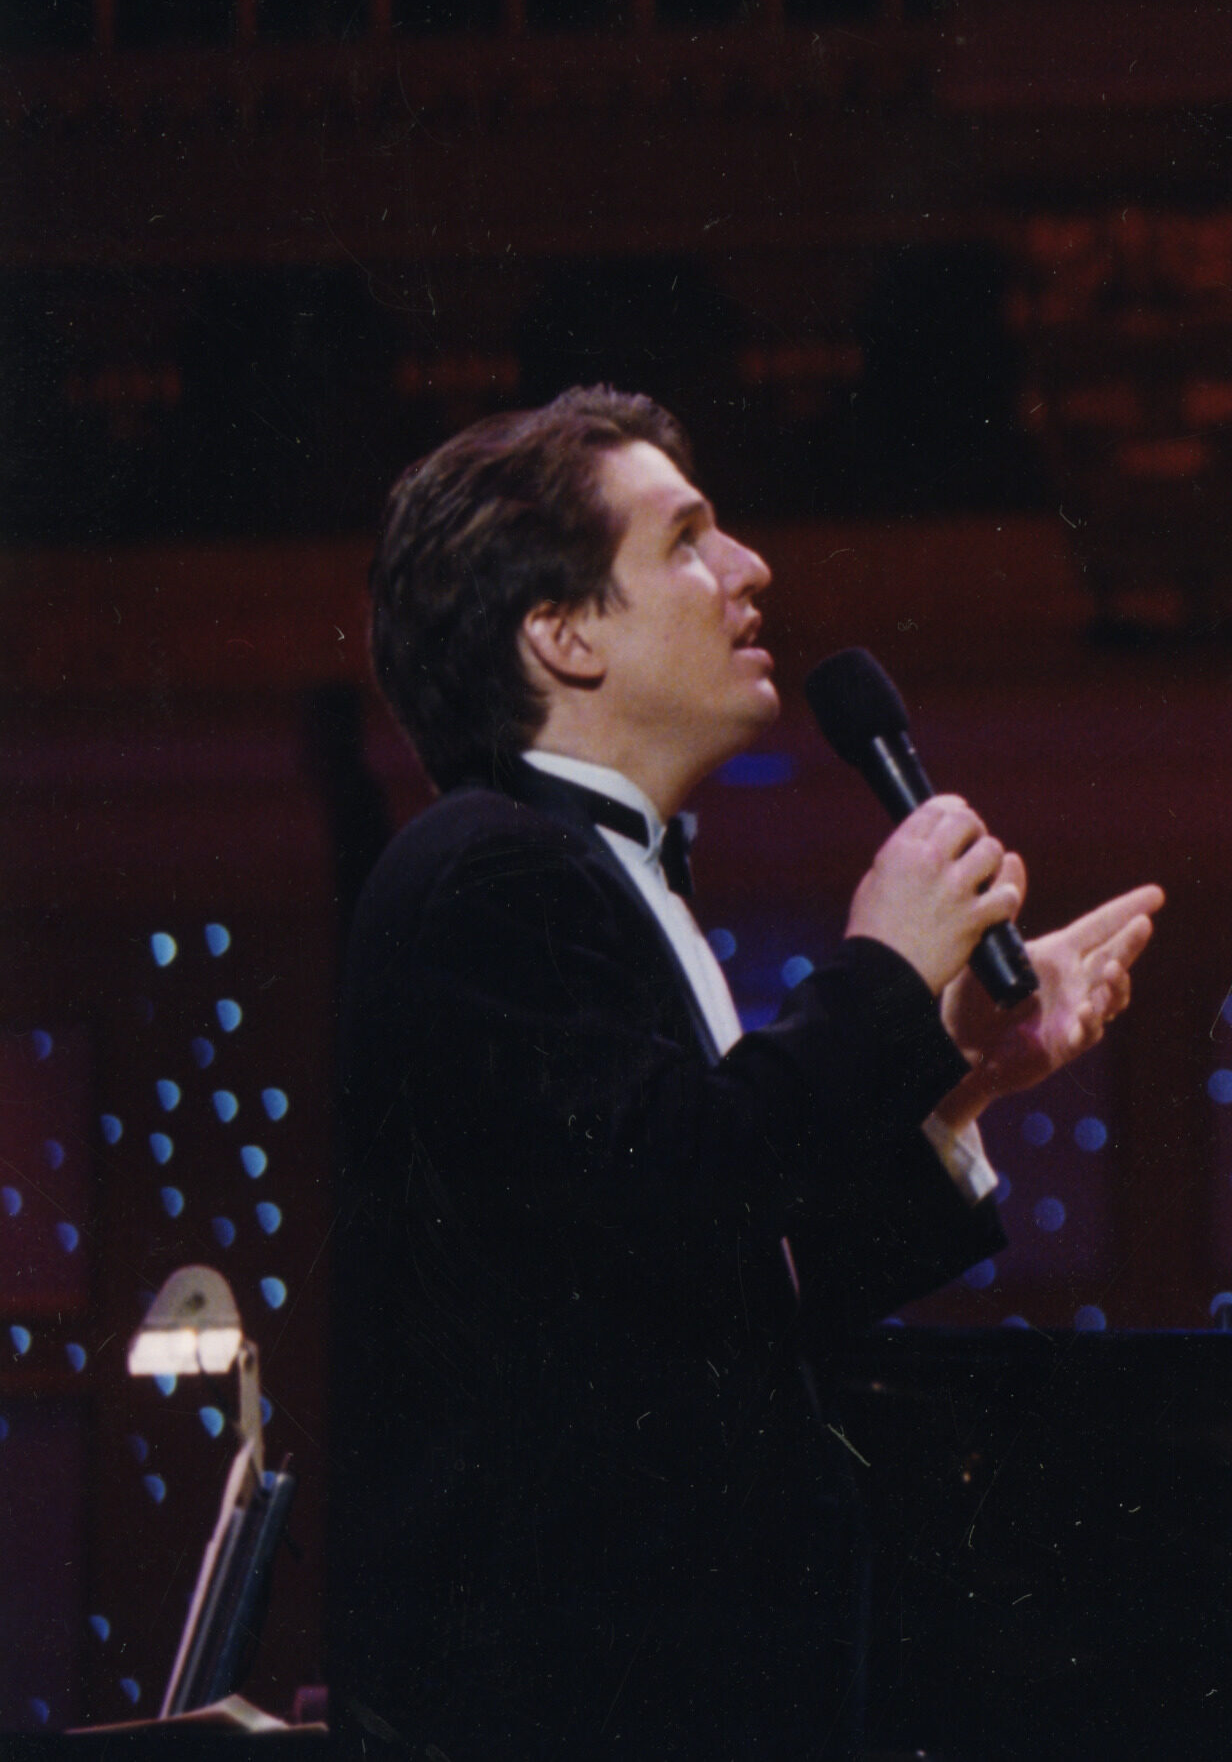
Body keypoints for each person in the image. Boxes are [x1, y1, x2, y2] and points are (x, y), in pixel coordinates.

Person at [330, 387, 1159, 1758]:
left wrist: (963, 1075)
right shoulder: (487, 871)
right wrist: (885, 971)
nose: (750, 567)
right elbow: (683, 1185)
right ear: (564, 632)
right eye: (688, 540)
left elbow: (722, 1275)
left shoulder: (584, 876)